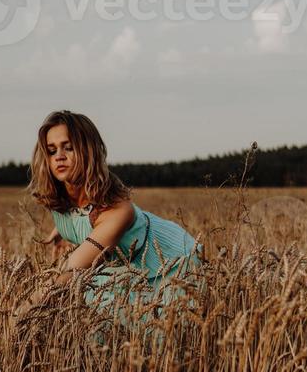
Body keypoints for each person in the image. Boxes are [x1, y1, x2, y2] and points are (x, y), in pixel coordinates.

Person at [13, 110, 205, 328]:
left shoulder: (117, 210)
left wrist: (19, 314)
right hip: (124, 269)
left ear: (88, 151)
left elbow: (69, 273)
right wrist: (62, 232)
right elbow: (80, 218)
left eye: (69, 147)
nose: (59, 156)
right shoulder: (59, 199)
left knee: (160, 340)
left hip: (171, 264)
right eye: (51, 150)